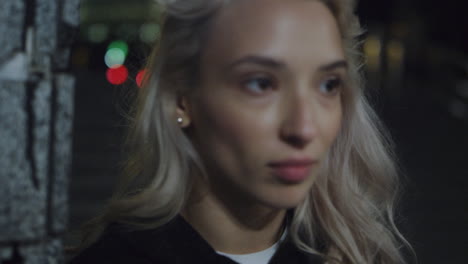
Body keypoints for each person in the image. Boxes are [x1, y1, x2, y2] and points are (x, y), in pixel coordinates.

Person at [70, 0, 411, 263]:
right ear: (181, 99)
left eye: (328, 84)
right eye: (261, 83)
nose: (304, 127)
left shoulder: (360, 256)